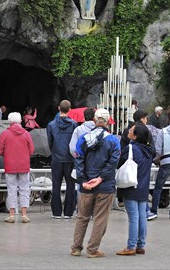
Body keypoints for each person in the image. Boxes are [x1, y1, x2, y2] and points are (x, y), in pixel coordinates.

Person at [71, 108, 120, 258]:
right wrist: (100, 178)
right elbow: (113, 162)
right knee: (100, 218)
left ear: (94, 120)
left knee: (82, 217)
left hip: (86, 185)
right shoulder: (113, 141)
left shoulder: (84, 138)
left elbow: (78, 159)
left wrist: (83, 180)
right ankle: (92, 249)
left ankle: (76, 248)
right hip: (105, 185)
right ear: (108, 121)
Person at [116, 123, 153, 256]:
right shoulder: (149, 150)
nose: (128, 131)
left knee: (133, 217)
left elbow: (119, 163)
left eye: (131, 130)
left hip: (131, 185)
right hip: (143, 186)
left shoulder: (130, 148)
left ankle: (131, 246)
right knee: (142, 215)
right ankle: (140, 245)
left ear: (136, 136)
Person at [0, 112, 35, 224]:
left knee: (11, 189)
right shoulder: (26, 134)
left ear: (10, 121)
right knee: (24, 189)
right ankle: (24, 214)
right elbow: (31, 150)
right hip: (24, 165)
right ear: (20, 121)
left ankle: (12, 215)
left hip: (10, 165)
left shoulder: (5, 134)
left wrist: (7, 154)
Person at [47, 99, 78, 219]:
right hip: (70, 158)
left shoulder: (51, 125)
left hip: (56, 157)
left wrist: (54, 151)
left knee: (56, 184)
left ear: (59, 108)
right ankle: (68, 212)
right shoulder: (74, 124)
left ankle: (56, 212)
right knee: (70, 185)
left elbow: (50, 141)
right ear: (70, 110)